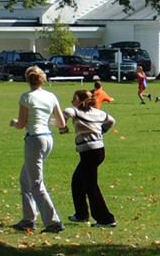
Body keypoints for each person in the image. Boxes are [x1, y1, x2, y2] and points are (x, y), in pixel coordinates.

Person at [8, 67, 66, 233]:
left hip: (34, 139)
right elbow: (61, 124)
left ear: (27, 80)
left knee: (35, 183)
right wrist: (46, 122)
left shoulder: (26, 97)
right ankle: (28, 218)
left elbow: (20, 124)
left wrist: (14, 122)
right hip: (47, 138)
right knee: (25, 178)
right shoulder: (51, 96)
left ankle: (53, 221)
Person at [61, 89, 117, 228]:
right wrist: (100, 131)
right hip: (98, 151)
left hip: (90, 153)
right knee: (77, 181)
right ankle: (81, 214)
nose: (72, 102)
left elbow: (67, 112)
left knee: (91, 186)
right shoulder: (98, 112)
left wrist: (62, 126)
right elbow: (111, 120)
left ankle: (106, 219)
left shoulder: (77, 111)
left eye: (74, 99)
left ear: (80, 101)